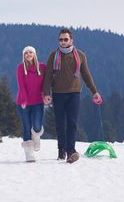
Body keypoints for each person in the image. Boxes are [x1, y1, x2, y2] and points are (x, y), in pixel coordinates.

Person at [43, 28, 102, 163]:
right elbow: (47, 76)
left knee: (72, 123)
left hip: (74, 93)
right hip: (58, 93)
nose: (63, 42)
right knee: (59, 124)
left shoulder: (80, 55)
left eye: (65, 39)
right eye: (60, 39)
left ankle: (71, 151)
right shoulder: (54, 55)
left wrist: (94, 91)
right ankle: (61, 150)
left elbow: (86, 75)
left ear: (71, 40)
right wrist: (46, 93)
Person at [16, 46, 47, 162]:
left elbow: (46, 82)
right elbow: (21, 85)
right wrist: (24, 100)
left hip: (38, 102)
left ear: (34, 54)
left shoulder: (42, 67)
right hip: (23, 103)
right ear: (23, 56)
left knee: (37, 125)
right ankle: (29, 154)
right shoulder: (20, 68)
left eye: (30, 52)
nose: (28, 54)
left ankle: (37, 136)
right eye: (26, 53)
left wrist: (46, 95)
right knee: (27, 127)